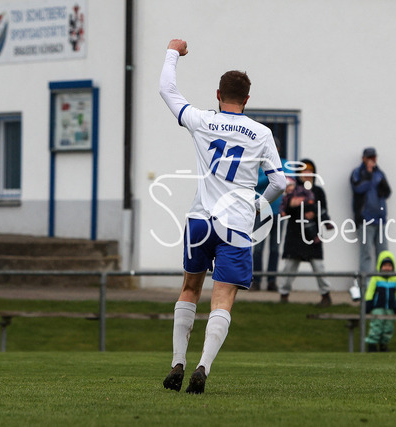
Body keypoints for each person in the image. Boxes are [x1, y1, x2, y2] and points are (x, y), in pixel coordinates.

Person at [159, 39, 285, 394]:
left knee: (189, 288)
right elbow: (280, 181)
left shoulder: (202, 120)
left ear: (218, 94)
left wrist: (173, 51)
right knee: (223, 297)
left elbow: (167, 90)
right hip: (236, 225)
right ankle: (203, 366)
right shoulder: (261, 133)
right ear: (247, 99)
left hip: (200, 220)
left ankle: (177, 362)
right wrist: (259, 205)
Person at [279, 159, 333, 307]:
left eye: (310, 171)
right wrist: (292, 205)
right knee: (290, 266)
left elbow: (323, 210)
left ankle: (326, 295)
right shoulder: (292, 190)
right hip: (295, 234)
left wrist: (315, 215)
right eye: (304, 171)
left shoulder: (318, 191)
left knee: (318, 266)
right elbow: (285, 210)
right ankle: (283, 295)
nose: (307, 174)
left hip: (312, 235)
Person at [350, 147, 391, 284]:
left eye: (374, 158)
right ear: (364, 159)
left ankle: (383, 282)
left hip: (380, 220)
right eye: (369, 158)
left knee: (383, 252)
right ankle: (365, 284)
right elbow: (358, 188)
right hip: (365, 220)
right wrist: (368, 175)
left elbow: (387, 193)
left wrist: (383, 188)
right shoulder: (358, 172)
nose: (372, 160)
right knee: (366, 253)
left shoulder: (379, 173)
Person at [251, 138, 287, 292]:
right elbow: (256, 183)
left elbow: (288, 182)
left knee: (275, 248)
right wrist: (272, 175)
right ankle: (256, 280)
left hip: (279, 211)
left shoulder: (284, 163)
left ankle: (272, 281)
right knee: (258, 248)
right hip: (262, 211)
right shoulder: (258, 164)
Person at [364, 251, 396, 352]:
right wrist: (368, 303)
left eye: (389, 266)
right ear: (380, 266)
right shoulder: (375, 278)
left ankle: (384, 344)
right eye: (385, 265)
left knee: (388, 327)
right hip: (378, 307)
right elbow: (370, 291)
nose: (387, 268)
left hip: (390, 308)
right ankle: (372, 344)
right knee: (376, 325)